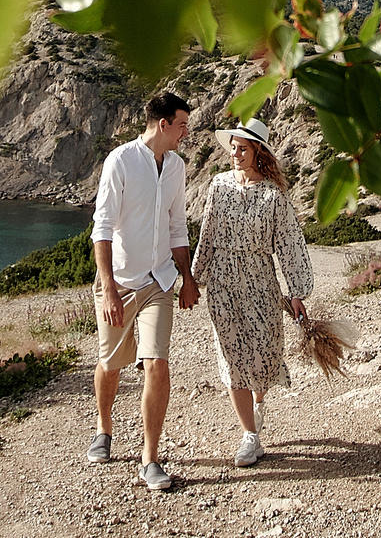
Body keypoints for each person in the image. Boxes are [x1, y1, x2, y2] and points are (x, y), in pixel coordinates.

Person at [87, 90, 197, 492]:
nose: (187, 132)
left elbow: (177, 226)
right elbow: (101, 229)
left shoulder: (177, 167)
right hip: (118, 282)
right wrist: (110, 290)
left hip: (158, 282)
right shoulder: (121, 161)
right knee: (111, 364)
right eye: (182, 124)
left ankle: (150, 458)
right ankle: (103, 427)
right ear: (163, 124)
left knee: (157, 364)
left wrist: (187, 277)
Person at [193, 117, 314, 468]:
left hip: (261, 281)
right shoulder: (218, 185)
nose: (234, 152)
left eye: (242, 147)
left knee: (262, 354)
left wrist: (296, 292)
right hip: (223, 283)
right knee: (232, 358)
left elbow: (289, 243)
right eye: (232, 146)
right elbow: (208, 235)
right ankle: (250, 435)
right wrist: (194, 279)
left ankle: (258, 402)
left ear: (257, 151)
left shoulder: (274, 196)